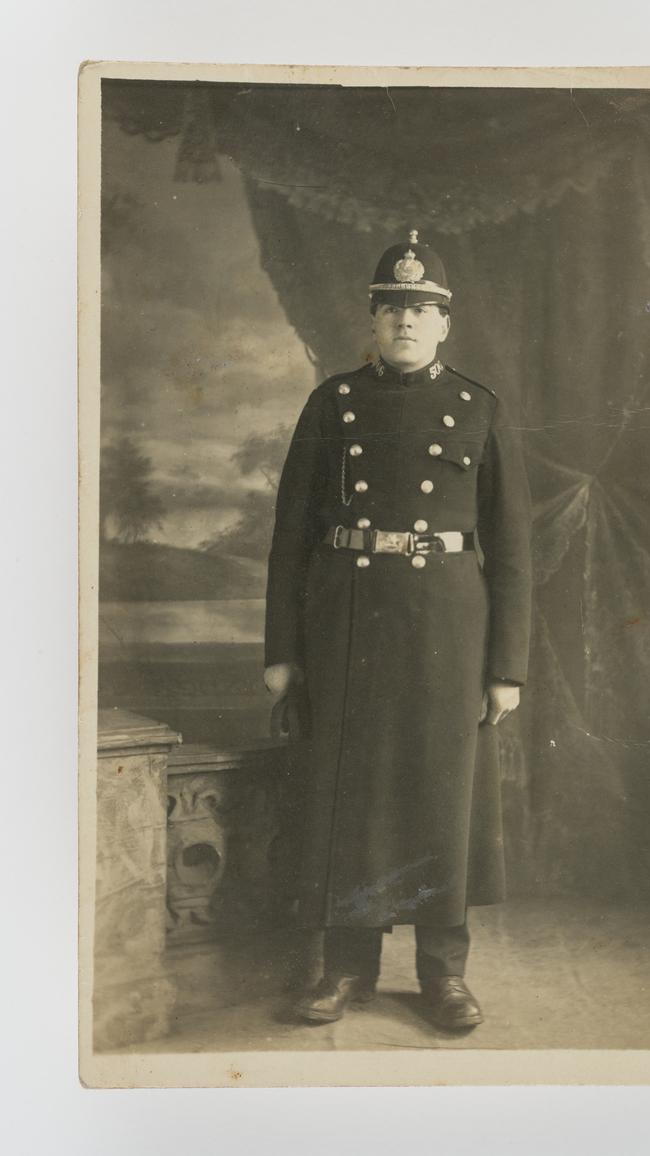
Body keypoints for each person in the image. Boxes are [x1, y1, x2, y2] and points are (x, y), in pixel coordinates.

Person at [263, 230, 532, 1030]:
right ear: (372, 321)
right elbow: (288, 538)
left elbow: (513, 548)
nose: (406, 322)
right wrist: (281, 652)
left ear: (444, 323)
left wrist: (506, 666)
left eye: (421, 309)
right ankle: (346, 972)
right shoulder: (333, 404)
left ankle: (443, 977)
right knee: (356, 796)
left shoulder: (480, 408)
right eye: (392, 309)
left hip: (449, 630)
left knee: (442, 797)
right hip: (348, 624)